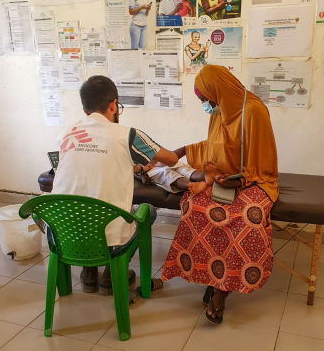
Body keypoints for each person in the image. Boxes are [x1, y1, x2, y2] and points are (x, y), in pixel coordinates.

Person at [161, 65, 279, 325]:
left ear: (219, 91)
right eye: (203, 101)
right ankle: (214, 276)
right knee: (194, 207)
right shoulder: (221, 109)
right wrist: (180, 152)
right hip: (223, 178)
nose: (206, 105)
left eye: (206, 100)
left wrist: (240, 182)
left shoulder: (254, 111)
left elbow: (263, 160)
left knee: (247, 217)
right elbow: (213, 145)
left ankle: (221, 290)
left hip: (254, 180)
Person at [52, 75, 178, 296]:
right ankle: (111, 274)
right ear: (113, 105)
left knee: (85, 209)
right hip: (107, 233)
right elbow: (171, 160)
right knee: (147, 211)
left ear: (85, 110)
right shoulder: (127, 134)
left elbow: (91, 163)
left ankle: (89, 274)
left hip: (63, 230)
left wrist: (136, 168)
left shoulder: (67, 132)